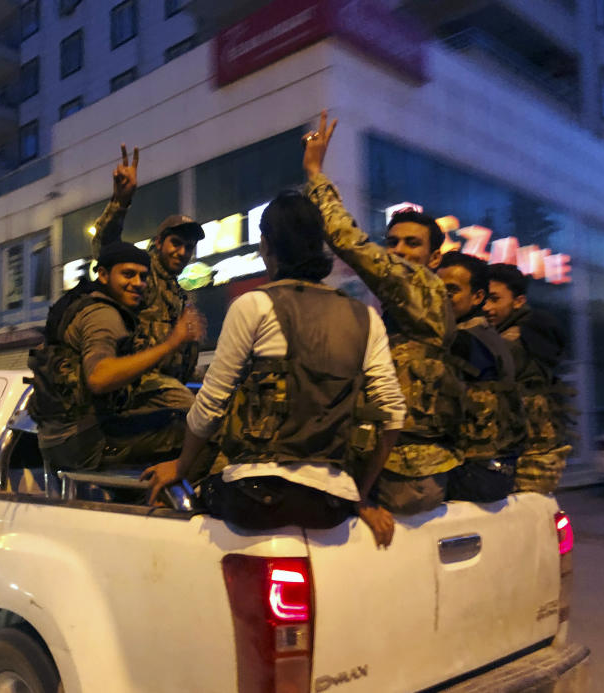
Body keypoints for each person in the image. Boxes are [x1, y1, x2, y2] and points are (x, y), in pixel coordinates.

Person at [142, 191, 406, 548]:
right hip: (331, 503)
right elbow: (393, 415)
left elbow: (209, 407)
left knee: (173, 508)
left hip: (256, 495)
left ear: (267, 246)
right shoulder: (366, 317)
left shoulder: (253, 304)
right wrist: (359, 493)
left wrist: (182, 466)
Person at [301, 111, 464, 515]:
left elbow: (346, 239)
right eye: (393, 243)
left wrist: (314, 172)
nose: (400, 252)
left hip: (405, 470)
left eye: (413, 244)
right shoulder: (418, 301)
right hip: (408, 464)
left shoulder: (417, 284)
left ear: (434, 256)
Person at [27, 241, 206, 476]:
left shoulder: (82, 302)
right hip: (87, 442)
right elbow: (100, 377)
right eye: (128, 275)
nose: (137, 284)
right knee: (198, 434)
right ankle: (177, 507)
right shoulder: (103, 315)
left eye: (143, 277)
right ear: (103, 274)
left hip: (62, 442)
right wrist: (172, 343)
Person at [90, 145, 205, 401]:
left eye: (189, 247)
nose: (182, 252)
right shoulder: (143, 272)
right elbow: (106, 248)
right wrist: (120, 202)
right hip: (135, 387)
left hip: (165, 388)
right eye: (176, 243)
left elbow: (176, 358)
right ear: (160, 241)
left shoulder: (179, 293)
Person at [437, 252, 525, 502]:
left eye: (451, 290)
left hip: (474, 474)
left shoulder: (463, 341)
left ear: (478, 297)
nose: (441, 297)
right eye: (437, 289)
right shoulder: (487, 335)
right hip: (499, 472)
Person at [484, 263, 573, 493]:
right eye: (483, 298)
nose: (486, 307)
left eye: (495, 299)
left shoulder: (512, 340)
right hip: (537, 452)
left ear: (518, 301)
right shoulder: (527, 332)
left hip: (527, 456)